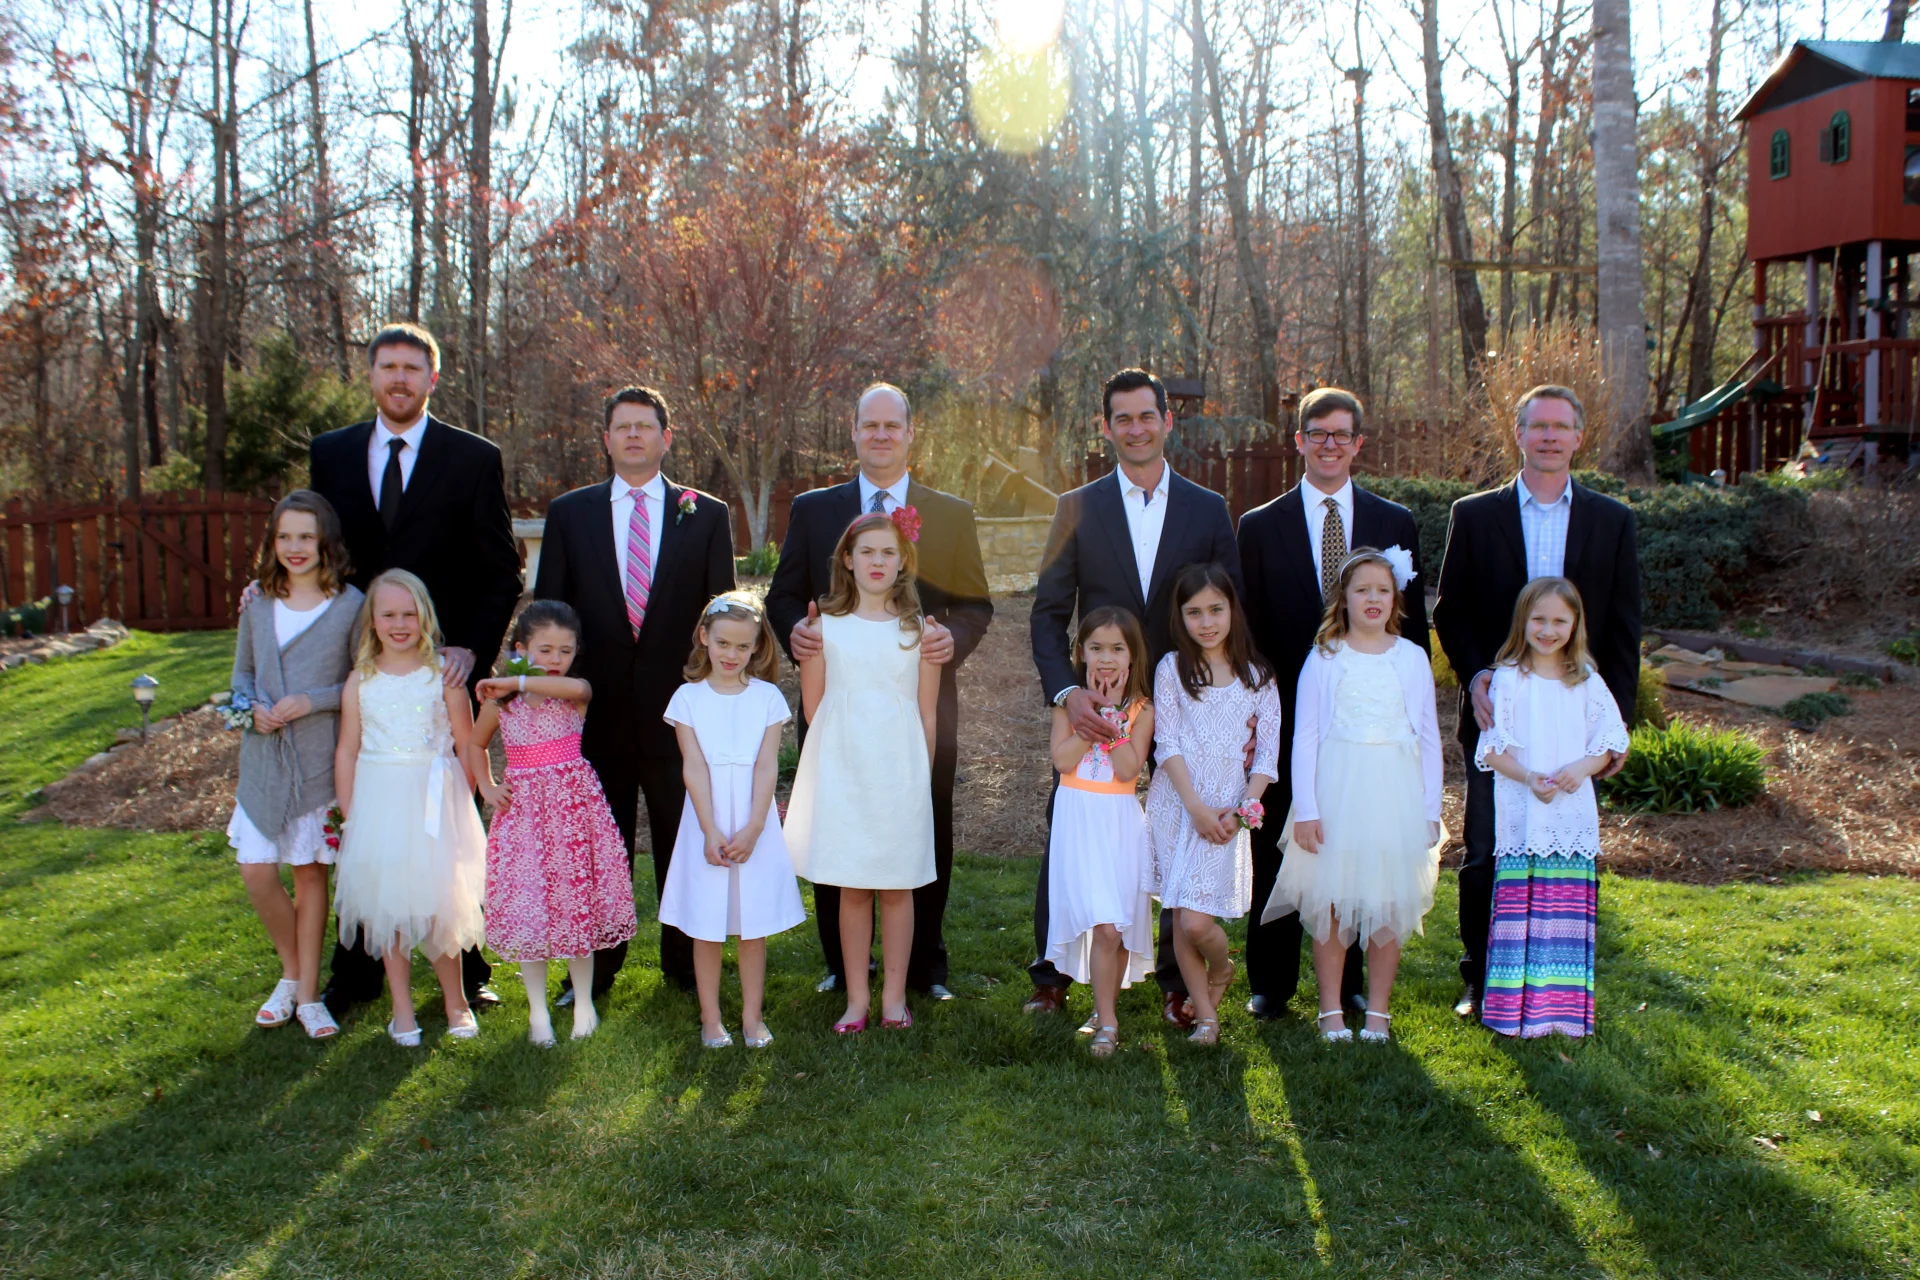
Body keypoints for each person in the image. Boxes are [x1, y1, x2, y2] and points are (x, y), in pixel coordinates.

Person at [308, 322, 521, 1018]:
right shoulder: (332, 453)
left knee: (447, 829)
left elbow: (500, 571)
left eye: (412, 368)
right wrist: (269, 589)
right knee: (371, 833)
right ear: (371, 376)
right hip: (366, 666)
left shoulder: (472, 457)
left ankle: (468, 967)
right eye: (388, 367)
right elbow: (316, 552)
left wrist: (471, 649)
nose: (399, 379)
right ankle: (357, 972)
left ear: (433, 378)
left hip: (440, 670)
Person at [1029, 367, 1243, 1027]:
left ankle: (1179, 983)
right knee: (1073, 819)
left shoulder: (1207, 509)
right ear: (1106, 427)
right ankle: (1051, 976)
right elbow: (1047, 614)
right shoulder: (1077, 507)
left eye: (1147, 415)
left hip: (1182, 702)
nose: (1136, 428)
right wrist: (1069, 693)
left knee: (1177, 830)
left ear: (1166, 421)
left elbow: (1229, 607)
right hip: (1101, 698)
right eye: (1122, 418)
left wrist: (1234, 703)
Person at [765, 383, 989, 1002]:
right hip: (840, 702)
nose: (882, 435)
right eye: (871, 425)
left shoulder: (950, 513)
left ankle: (924, 967)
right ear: (855, 432)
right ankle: (844, 966)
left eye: (893, 425)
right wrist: (798, 634)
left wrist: (948, 643)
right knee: (840, 827)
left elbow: (975, 604)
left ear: (911, 433)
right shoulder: (814, 509)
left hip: (918, 704)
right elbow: (783, 595)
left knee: (924, 825)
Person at [1433, 385, 1640, 1021]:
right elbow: (1451, 610)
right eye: (1538, 426)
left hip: (1572, 723)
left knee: (1561, 852)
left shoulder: (1612, 520)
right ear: (1519, 434)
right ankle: (1480, 976)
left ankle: (1555, 980)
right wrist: (1477, 676)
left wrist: (1616, 731)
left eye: (1561, 426)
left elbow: (1624, 629)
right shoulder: (1475, 514)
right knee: (1487, 850)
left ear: (1579, 437)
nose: (1549, 436)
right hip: (1500, 719)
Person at [532, 385, 737, 1006]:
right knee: (599, 845)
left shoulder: (706, 515)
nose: (632, 436)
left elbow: (723, 616)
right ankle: (594, 970)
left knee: (683, 840)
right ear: (606, 439)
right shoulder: (571, 513)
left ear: (665, 438)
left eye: (644, 426)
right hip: (596, 715)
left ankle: (687, 964)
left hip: (680, 714)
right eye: (621, 427)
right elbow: (550, 614)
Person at [1236, 388, 1430, 1022]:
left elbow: (1413, 625)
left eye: (1342, 434)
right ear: (1299, 440)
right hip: (1284, 709)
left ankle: (1349, 989)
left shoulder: (1393, 522)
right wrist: (1249, 706)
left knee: (1357, 846)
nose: (1329, 444)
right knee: (1280, 840)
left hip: (1362, 722)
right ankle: (1271, 981)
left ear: (1358, 444)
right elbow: (1247, 626)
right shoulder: (1259, 526)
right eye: (1317, 433)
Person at [1262, 548, 1444, 1044]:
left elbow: (1428, 736)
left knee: (1387, 900)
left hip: (1394, 791)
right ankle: (1331, 1012)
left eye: (1382, 590)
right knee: (1333, 901)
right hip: (1338, 789)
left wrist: (1430, 810)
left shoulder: (1411, 657)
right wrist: (1307, 809)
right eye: (1362, 590)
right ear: (1344, 599)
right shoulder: (1325, 657)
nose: (1373, 598)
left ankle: (1378, 1012)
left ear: (1396, 599)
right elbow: (1305, 737)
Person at [784, 511, 940, 1034]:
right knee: (852, 886)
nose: (877, 561)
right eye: (867, 552)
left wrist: (921, 779)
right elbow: (814, 710)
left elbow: (927, 713)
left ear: (902, 562)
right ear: (848, 561)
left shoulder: (919, 631)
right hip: (845, 769)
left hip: (900, 772)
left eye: (888, 552)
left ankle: (894, 998)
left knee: (897, 885)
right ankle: (857, 999)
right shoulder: (822, 628)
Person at [465, 600, 639, 1047]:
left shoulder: (573, 692)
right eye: (545, 650)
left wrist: (516, 678)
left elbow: (578, 687)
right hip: (525, 816)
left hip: (572, 813)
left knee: (576, 905)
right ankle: (537, 1012)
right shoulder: (502, 702)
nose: (556, 659)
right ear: (522, 648)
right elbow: (474, 744)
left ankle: (583, 1004)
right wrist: (487, 786)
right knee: (532, 908)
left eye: (565, 650)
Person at [331, 570, 488, 1046]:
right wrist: (351, 813)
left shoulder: (444, 676)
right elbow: (347, 750)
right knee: (390, 907)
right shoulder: (361, 680)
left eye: (408, 614)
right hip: (379, 802)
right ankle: (401, 1009)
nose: (399, 624)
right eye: (389, 615)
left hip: (433, 801)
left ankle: (456, 1002)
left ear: (424, 617)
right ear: (372, 621)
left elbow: (466, 743)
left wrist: (463, 800)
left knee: (441, 903)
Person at [227, 491, 363, 1040]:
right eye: (284, 537)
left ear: (325, 540)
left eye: (306, 536)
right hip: (264, 760)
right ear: (272, 542)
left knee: (310, 875)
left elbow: (360, 679)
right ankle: (291, 971)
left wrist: (311, 700)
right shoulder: (258, 602)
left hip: (317, 760)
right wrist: (250, 709)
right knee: (256, 872)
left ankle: (307, 997)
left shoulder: (349, 605)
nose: (295, 547)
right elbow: (241, 674)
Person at [1473, 577, 1630, 1038]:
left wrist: (1582, 768)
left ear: (1575, 624)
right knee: (1519, 914)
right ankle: (1512, 1012)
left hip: (1570, 817)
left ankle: (1560, 1014)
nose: (1547, 630)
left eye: (1559, 620)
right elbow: (1492, 750)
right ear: (1523, 621)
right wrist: (1529, 778)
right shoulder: (1508, 680)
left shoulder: (1588, 682)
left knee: (1563, 915)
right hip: (1523, 814)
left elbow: (1611, 741)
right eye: (1538, 619)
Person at [659, 592, 807, 1050]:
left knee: (752, 925)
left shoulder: (766, 699)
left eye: (743, 646)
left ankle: (751, 1017)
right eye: (723, 643)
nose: (731, 654)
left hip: (752, 818)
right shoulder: (687, 698)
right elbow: (694, 767)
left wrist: (756, 826)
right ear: (704, 637)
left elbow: (766, 766)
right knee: (706, 923)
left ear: (756, 647)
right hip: (706, 820)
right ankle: (711, 1019)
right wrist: (710, 831)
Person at [1143, 563, 1282, 1047]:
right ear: (1180, 617)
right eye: (1194, 612)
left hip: (1226, 812)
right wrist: (1195, 809)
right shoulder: (1172, 669)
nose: (1206, 622)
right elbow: (1167, 744)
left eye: (1215, 610)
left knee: (1199, 923)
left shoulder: (1258, 676)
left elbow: (1267, 756)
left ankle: (1221, 968)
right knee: (1183, 917)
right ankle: (1206, 1018)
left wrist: (1242, 810)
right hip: (1177, 805)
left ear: (1232, 610)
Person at [1044, 606, 1156, 1059]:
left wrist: (1112, 718)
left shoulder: (1143, 709)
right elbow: (1062, 760)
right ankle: (1107, 1021)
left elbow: (1129, 769)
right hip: (1078, 819)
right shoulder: (1068, 705)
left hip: (1119, 822)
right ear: (1081, 653)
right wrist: (1093, 720)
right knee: (1100, 922)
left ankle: (1104, 1012)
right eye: (1096, 648)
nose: (1106, 658)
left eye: (1117, 649)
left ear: (1132, 656)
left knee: (1116, 927)